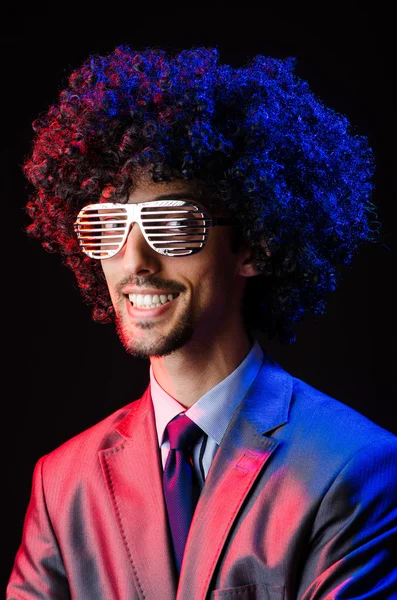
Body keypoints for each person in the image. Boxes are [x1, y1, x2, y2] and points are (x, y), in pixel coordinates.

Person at [7, 46, 397, 599]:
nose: (134, 259)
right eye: (109, 225)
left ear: (255, 245)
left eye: (171, 223)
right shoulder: (62, 484)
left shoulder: (354, 468)